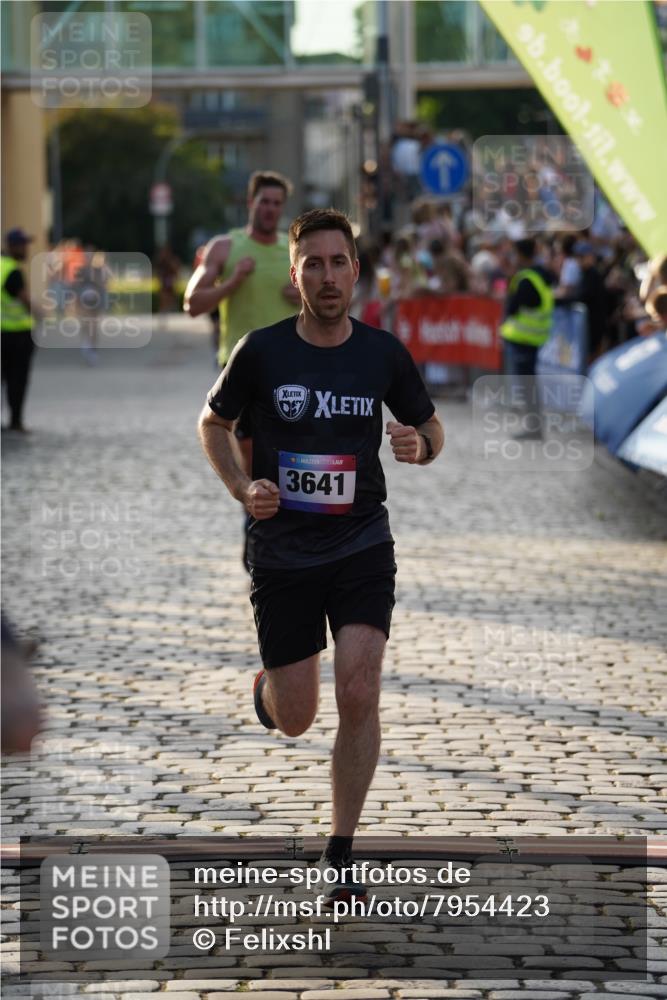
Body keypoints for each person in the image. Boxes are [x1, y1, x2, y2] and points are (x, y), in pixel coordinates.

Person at [198, 208, 443, 904]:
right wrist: (244, 487)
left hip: (362, 542)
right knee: (298, 715)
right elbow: (212, 423)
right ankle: (267, 696)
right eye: (314, 264)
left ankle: (340, 855)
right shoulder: (262, 351)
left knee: (359, 691)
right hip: (282, 554)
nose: (327, 276)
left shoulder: (381, 353)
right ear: (295, 271)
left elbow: (428, 423)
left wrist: (419, 445)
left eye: (338, 263)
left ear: (355, 271)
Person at [185, 170, 300, 476]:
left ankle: (283, 515)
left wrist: (304, 295)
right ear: (251, 202)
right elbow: (192, 304)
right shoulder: (225, 247)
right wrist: (232, 283)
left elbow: (335, 300)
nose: (270, 209)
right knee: (251, 454)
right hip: (242, 364)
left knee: (292, 450)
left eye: (277, 203)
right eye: (264, 201)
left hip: (291, 364)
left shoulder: (294, 251)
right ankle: (255, 515)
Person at [500, 238, 556, 440]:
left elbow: (513, 307)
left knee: (527, 386)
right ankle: (534, 426)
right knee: (529, 384)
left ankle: (534, 428)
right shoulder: (542, 275)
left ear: (520, 254)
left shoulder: (525, 279)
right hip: (534, 338)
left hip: (523, 339)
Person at [1, 228, 37, 432]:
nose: (26, 249)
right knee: (17, 379)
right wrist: (42, 313)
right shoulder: (12, 270)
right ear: (13, 246)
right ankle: (16, 421)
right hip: (16, 335)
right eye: (23, 245)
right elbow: (24, 300)